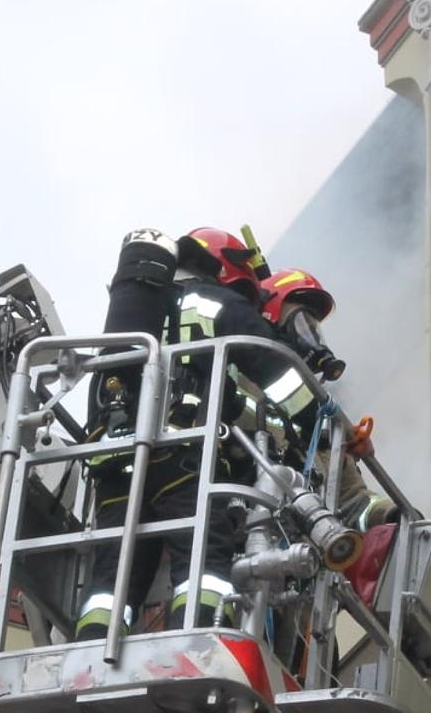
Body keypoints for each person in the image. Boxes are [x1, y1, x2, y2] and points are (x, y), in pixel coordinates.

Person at [75, 227, 285, 642]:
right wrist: (322, 418)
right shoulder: (215, 304)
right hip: (182, 456)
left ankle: (93, 647)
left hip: (115, 461)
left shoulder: (130, 320)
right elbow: (275, 368)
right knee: (203, 554)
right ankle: (194, 638)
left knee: (113, 573)